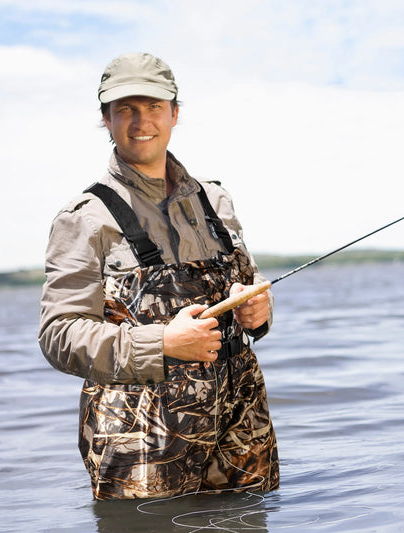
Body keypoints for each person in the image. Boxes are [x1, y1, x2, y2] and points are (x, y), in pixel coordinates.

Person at [39, 52, 279, 500]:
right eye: (125, 109)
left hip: (241, 428)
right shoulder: (83, 218)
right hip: (139, 445)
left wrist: (259, 310)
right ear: (106, 119)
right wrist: (162, 344)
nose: (140, 121)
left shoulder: (216, 199)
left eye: (152, 107)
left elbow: (252, 282)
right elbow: (58, 336)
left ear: (174, 113)